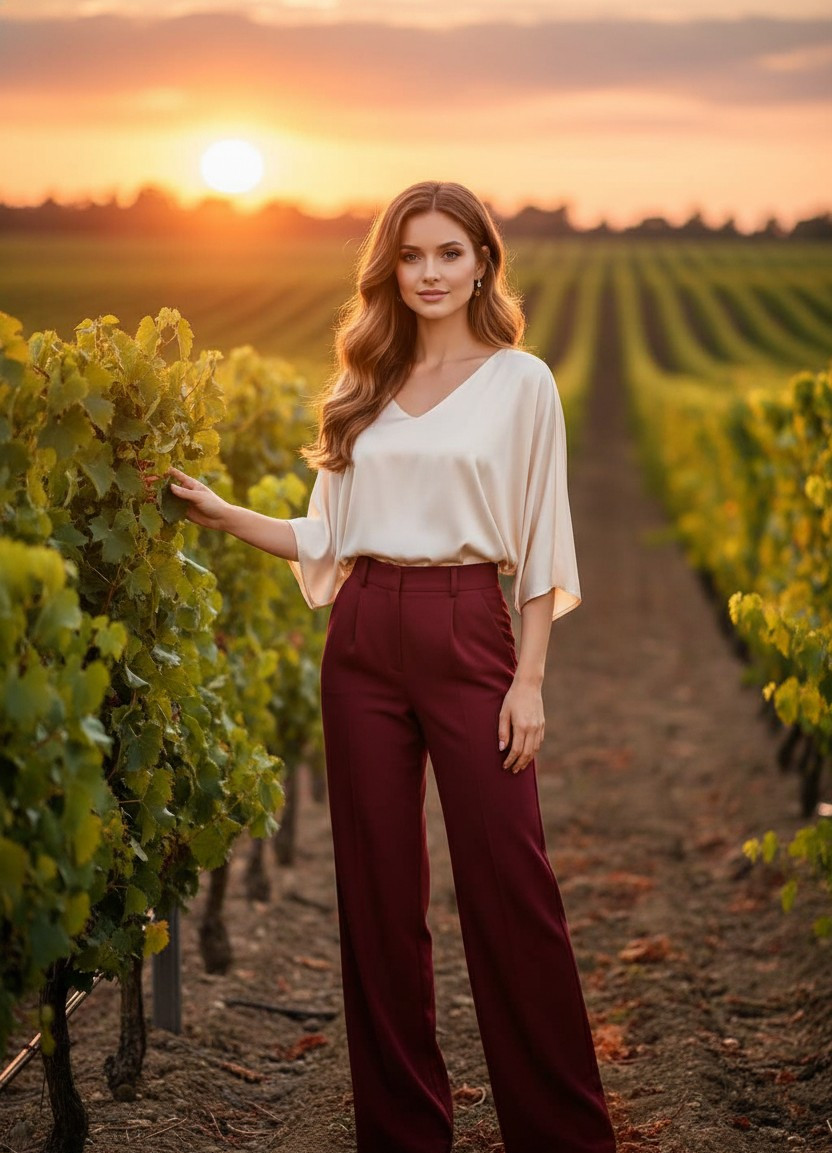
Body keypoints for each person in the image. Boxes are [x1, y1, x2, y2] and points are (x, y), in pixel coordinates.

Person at [166, 180, 617, 1153]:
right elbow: (326, 536)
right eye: (411, 255)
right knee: (376, 898)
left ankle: (563, 1136)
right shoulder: (358, 386)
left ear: (482, 263)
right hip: (362, 641)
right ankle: (403, 1135)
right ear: (388, 268)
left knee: (510, 886)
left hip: (468, 632)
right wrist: (220, 512)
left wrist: (528, 679)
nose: (428, 273)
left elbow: (541, 541)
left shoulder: (520, 381)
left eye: (448, 253)